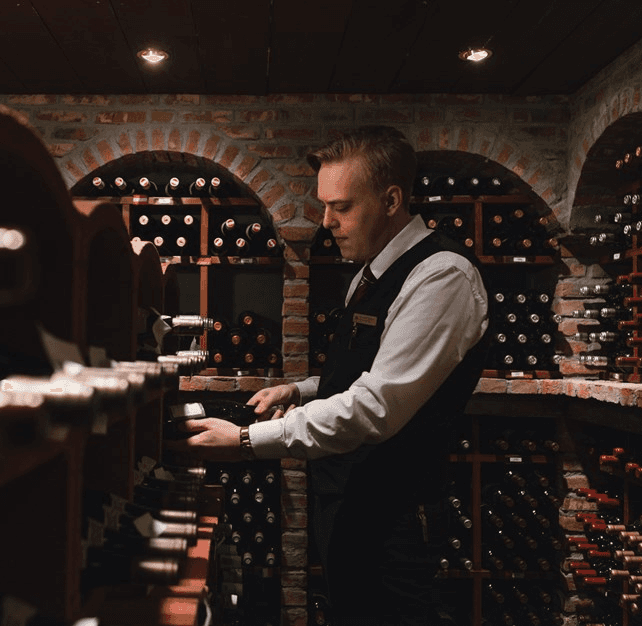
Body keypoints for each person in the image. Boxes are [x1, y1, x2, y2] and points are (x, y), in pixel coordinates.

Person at [171, 126, 490, 625]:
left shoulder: (441, 275)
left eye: (341, 207)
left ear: (391, 199)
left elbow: (376, 405)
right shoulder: (370, 272)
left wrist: (247, 440)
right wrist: (300, 388)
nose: (326, 223)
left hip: (393, 519)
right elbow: (368, 372)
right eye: (325, 206)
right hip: (350, 503)